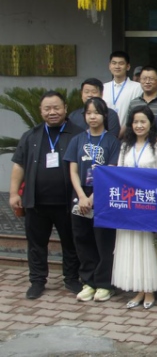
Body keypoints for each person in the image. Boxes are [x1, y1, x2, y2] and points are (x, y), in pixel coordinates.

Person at [10, 91, 83, 299]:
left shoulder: (79, 135)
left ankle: (71, 278)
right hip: (36, 203)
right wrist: (14, 193)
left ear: (65, 108)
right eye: (47, 108)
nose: (52, 112)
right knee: (36, 245)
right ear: (41, 111)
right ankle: (37, 281)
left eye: (56, 107)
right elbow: (19, 166)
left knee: (71, 243)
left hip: (67, 202)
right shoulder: (31, 135)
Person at [112, 106, 157, 310]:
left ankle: (149, 289)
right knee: (132, 245)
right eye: (135, 122)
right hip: (129, 205)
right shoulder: (125, 147)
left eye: (143, 121)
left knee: (149, 246)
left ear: (150, 124)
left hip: (150, 206)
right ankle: (138, 289)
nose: (139, 125)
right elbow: (119, 175)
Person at [64, 97, 121, 302]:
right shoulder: (77, 140)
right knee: (82, 238)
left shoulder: (112, 141)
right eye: (88, 113)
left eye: (96, 113)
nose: (92, 117)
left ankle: (105, 284)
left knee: (103, 240)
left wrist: (93, 197)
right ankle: (88, 282)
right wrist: (81, 196)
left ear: (104, 115)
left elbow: (112, 171)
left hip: (103, 193)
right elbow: (72, 170)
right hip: (80, 193)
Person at [103, 51, 143, 128]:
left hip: (128, 132)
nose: (117, 66)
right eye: (114, 63)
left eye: (121, 63)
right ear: (109, 66)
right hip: (106, 133)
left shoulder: (138, 88)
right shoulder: (104, 87)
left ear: (128, 67)